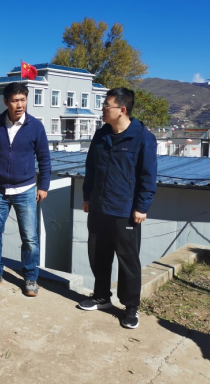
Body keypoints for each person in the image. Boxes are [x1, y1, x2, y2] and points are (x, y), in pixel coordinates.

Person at [79, 87, 157, 329]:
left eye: (106, 106)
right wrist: (87, 196)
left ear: (122, 110)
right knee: (98, 255)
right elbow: (91, 168)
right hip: (99, 207)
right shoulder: (101, 135)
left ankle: (131, 307)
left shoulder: (142, 138)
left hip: (125, 210)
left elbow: (148, 176)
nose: (102, 110)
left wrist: (141, 206)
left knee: (128, 260)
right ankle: (101, 297)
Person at [0, 82, 51, 297]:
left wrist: (44, 185)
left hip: (26, 190)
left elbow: (44, 159)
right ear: (6, 102)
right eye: (15, 100)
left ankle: (30, 277)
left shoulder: (35, 126)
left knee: (30, 238)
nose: (20, 105)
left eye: (23, 100)